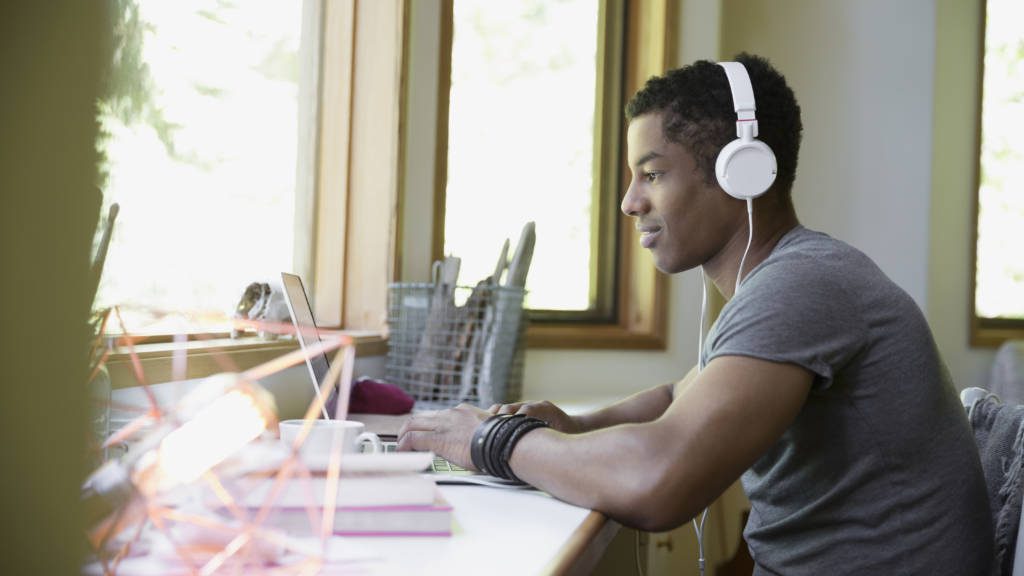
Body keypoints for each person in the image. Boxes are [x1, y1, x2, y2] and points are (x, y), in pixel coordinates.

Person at [398, 53, 993, 575]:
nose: (631, 203)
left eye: (652, 174)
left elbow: (660, 481)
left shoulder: (803, 286)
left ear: (743, 172)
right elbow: (677, 396)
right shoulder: (785, 282)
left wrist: (491, 441)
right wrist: (576, 427)